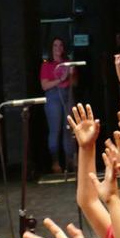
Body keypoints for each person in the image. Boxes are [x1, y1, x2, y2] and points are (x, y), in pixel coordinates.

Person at [41, 36, 78, 175]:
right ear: (51, 48)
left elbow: (75, 83)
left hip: (67, 95)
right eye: (55, 45)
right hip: (53, 97)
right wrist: (60, 79)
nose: (58, 48)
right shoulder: (47, 65)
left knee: (69, 129)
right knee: (55, 130)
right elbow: (44, 85)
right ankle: (55, 162)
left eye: (60, 45)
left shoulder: (68, 63)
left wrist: (71, 75)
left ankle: (70, 161)